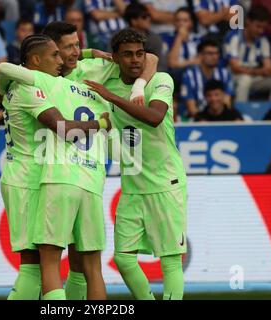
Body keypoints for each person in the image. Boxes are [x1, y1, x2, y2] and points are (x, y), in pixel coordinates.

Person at [0, 34, 113, 300]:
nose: (62, 60)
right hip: (27, 178)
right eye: (56, 55)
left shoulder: (41, 83)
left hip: (44, 176)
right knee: (33, 266)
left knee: (47, 266)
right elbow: (63, 128)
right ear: (35, 60)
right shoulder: (29, 86)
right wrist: (102, 124)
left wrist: (85, 54)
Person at [84, 28, 187, 300]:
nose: (135, 60)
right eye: (127, 54)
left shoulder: (161, 80)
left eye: (140, 53)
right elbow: (65, 63)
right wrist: (90, 53)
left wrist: (112, 97)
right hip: (132, 186)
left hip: (166, 183)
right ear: (114, 58)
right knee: (123, 259)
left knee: (170, 260)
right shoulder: (110, 79)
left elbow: (154, 117)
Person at [224, 5, 271, 102]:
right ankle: (240, 113)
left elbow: (267, 66)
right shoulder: (234, 37)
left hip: (253, 77)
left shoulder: (263, 40)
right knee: (245, 79)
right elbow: (235, 68)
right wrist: (259, 72)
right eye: (258, 26)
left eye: (263, 27)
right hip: (233, 77)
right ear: (248, 21)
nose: (260, 31)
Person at [181, 39, 234, 117]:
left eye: (216, 53)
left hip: (220, 117)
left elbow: (227, 103)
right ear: (200, 55)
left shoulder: (224, 74)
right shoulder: (189, 75)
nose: (214, 57)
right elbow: (191, 109)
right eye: (210, 53)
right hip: (197, 119)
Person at [124, 2, 163, 69]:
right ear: (134, 20)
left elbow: (161, 65)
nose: (149, 19)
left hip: (152, 75)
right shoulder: (119, 38)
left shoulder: (154, 38)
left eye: (149, 16)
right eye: (144, 17)